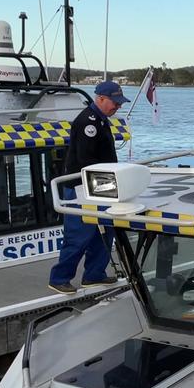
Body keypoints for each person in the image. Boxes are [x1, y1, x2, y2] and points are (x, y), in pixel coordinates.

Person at [48, 81, 130, 294]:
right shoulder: (88, 122)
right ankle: (59, 278)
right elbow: (85, 159)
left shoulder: (102, 121)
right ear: (100, 99)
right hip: (82, 187)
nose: (118, 107)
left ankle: (94, 275)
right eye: (115, 103)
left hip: (101, 184)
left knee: (104, 232)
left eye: (119, 104)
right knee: (78, 235)